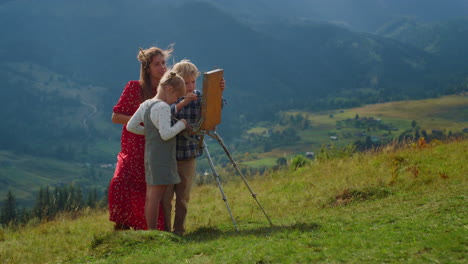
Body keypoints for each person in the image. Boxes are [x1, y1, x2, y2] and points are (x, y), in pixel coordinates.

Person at [108, 46, 172, 230]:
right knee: (121, 183)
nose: (162, 68)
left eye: (164, 63)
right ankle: (122, 226)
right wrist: (143, 122)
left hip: (154, 150)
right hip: (132, 148)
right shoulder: (134, 88)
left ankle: (144, 229)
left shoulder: (167, 91)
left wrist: (218, 87)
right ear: (147, 68)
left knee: (148, 190)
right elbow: (116, 117)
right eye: (157, 64)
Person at [162, 59, 225, 235]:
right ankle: (164, 232)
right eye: (185, 83)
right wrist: (182, 103)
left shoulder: (198, 97)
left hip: (188, 154)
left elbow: (217, 105)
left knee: (183, 196)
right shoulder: (170, 99)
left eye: (193, 82)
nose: (190, 87)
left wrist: (218, 91)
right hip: (168, 155)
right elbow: (164, 115)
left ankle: (179, 230)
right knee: (165, 197)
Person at [126, 71, 188, 230]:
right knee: (155, 197)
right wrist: (181, 124)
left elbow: (131, 126)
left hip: (150, 155)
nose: (176, 101)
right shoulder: (163, 107)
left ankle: (151, 230)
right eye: (176, 97)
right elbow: (166, 134)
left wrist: (149, 132)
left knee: (150, 196)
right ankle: (152, 231)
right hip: (161, 158)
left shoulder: (146, 104)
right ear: (169, 90)